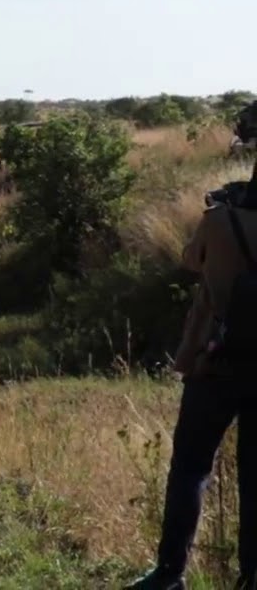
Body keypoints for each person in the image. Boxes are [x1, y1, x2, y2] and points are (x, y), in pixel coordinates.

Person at [125, 166, 257, 590]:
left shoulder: (220, 221)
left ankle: (170, 574)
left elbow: (189, 260)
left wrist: (224, 210)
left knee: (190, 468)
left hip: (215, 362)